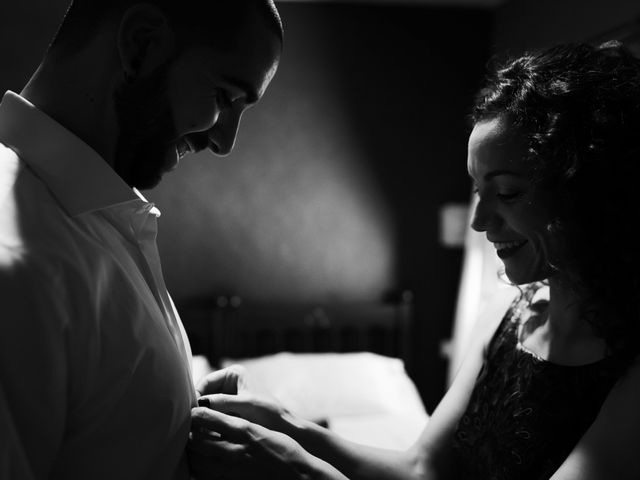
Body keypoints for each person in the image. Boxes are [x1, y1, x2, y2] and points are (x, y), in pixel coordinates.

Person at [190, 41, 640, 479]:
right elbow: (421, 468)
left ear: (585, 192)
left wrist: (296, 466)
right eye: (478, 192)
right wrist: (284, 423)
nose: (480, 223)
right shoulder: (506, 315)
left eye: (507, 193)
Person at [0, 0, 282, 478]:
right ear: (141, 44)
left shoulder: (99, 218)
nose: (224, 142)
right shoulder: (17, 266)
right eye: (223, 95)